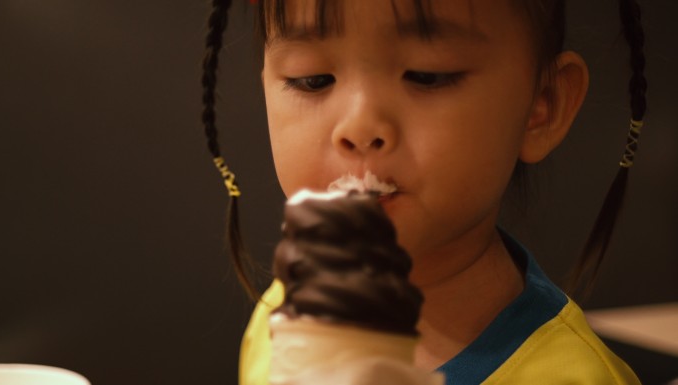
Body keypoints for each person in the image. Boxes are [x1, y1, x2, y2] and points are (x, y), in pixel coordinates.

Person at [201, 0, 647, 384]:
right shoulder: (281, 314)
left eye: (427, 76)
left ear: (541, 104)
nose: (358, 126)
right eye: (313, 79)